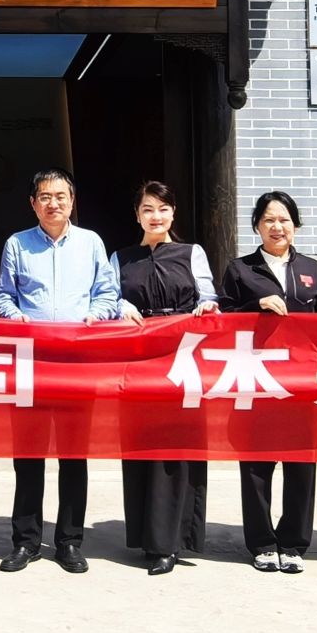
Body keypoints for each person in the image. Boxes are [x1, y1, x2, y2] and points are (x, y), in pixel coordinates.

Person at [0, 167, 121, 574]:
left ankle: (68, 541)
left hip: (76, 364)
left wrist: (95, 316)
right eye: (45, 197)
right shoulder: (17, 244)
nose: (53, 203)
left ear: (72, 201)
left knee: (73, 456)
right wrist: (16, 318)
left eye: (61, 196)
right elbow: (3, 296)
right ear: (33, 203)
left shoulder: (91, 242)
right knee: (28, 455)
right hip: (30, 362)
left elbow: (107, 293)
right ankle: (26, 542)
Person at [111, 181, 219, 576]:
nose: (155, 216)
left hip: (183, 358)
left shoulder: (192, 253)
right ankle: (146, 537)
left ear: (173, 213)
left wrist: (207, 307)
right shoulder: (121, 257)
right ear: (136, 215)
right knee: (142, 445)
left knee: (178, 449)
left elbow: (209, 296)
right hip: (139, 360)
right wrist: (120, 307)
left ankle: (171, 543)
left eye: (162, 209)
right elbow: (108, 298)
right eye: (147, 209)